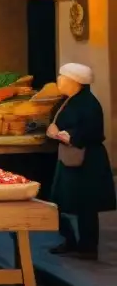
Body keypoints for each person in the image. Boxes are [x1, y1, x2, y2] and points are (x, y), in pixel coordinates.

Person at [47, 63, 116, 260]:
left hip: (87, 160)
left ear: (75, 82)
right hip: (69, 158)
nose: (59, 81)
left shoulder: (88, 104)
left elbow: (90, 132)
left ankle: (87, 246)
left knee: (87, 205)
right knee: (60, 201)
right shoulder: (68, 100)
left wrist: (61, 135)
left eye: (63, 77)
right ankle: (70, 240)